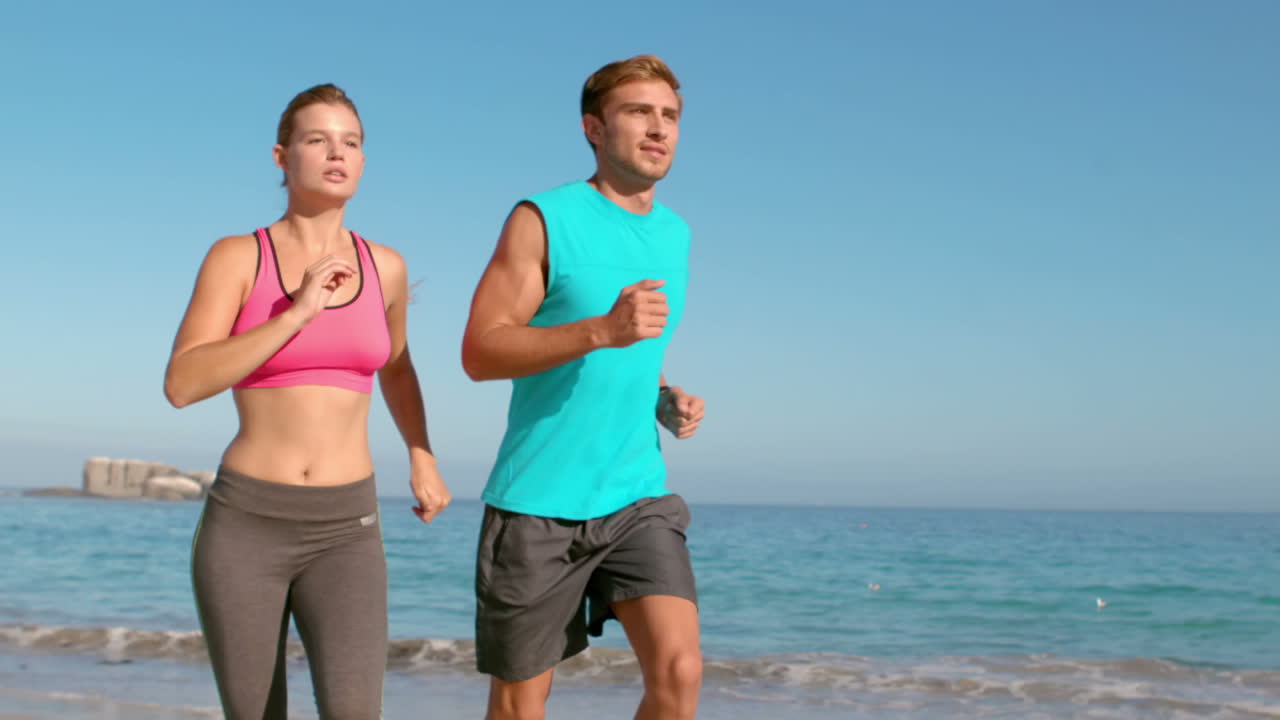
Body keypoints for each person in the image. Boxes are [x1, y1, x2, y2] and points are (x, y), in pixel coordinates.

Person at [163, 83, 450, 720]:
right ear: (281, 157)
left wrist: (422, 456)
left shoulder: (387, 268)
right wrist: (296, 316)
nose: (335, 153)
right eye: (316, 139)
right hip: (247, 523)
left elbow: (397, 368)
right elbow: (183, 382)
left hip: (347, 525)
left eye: (350, 142)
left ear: (364, 163)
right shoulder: (239, 256)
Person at [461, 55, 707, 720]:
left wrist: (662, 398)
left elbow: (636, 349)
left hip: (636, 494)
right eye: (638, 113)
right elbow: (481, 350)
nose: (658, 129)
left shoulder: (675, 235)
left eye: (670, 117)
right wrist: (598, 330)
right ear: (594, 129)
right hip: (538, 498)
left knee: (680, 673)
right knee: (519, 706)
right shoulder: (542, 218)